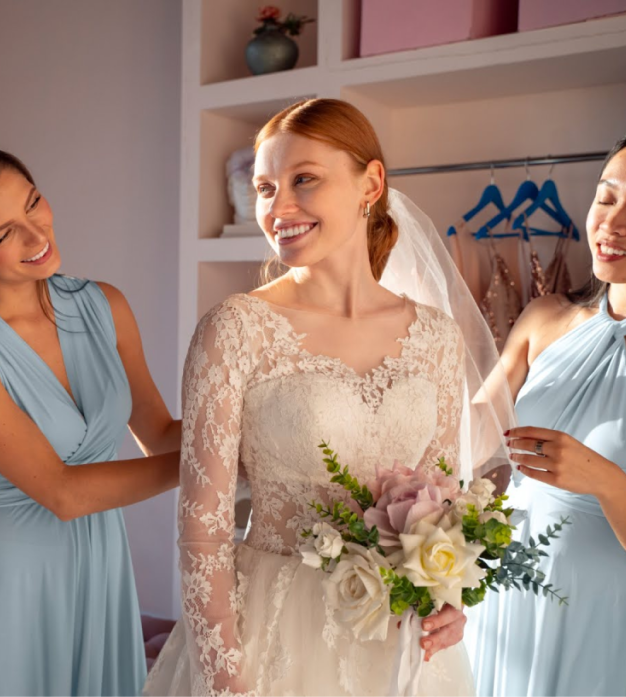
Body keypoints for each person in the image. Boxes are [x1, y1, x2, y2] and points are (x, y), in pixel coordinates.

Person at [145, 98, 508, 696]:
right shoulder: (235, 328)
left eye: (303, 180)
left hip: (399, 638)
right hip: (270, 631)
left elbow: (443, 501)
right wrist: (222, 678)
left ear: (371, 184)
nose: (277, 208)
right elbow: (203, 528)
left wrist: (449, 600)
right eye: (265, 187)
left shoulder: (435, 337)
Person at [0, 142, 180, 697]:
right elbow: (62, 493)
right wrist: (212, 464)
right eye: (2, 235)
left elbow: (161, 434)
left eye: (34, 203)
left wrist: (256, 426)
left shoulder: (106, 305)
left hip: (103, 565)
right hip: (16, 574)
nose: (35, 235)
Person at [467, 124, 626, 696]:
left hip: (605, 614)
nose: (614, 223)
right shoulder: (542, 317)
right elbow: (465, 441)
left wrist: (604, 480)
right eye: (605, 196)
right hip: (502, 592)